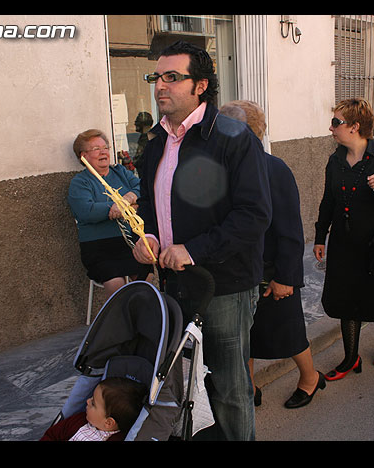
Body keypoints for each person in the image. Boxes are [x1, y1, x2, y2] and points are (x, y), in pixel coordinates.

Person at [132, 41, 271, 441]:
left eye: (172, 77)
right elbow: (150, 202)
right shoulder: (155, 140)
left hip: (224, 286)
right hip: (174, 285)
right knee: (185, 385)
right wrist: (149, 236)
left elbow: (254, 215)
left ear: (201, 85)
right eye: (157, 77)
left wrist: (193, 250)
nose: (161, 85)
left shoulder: (233, 137)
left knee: (228, 388)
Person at [219, 100, 324, 409]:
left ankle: (310, 377)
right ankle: (248, 384)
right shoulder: (223, 168)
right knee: (244, 335)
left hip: (272, 271)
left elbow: (291, 229)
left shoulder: (273, 168)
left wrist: (285, 277)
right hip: (238, 273)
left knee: (289, 332)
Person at [314, 98, 374, 380]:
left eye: (336, 122)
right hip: (344, 244)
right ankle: (351, 358)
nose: (331, 128)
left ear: (355, 127)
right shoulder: (335, 160)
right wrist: (321, 236)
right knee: (347, 300)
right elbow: (327, 201)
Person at [67, 129, 152, 298]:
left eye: (105, 147)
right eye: (96, 149)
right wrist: (116, 208)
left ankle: (143, 319)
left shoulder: (119, 172)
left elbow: (143, 188)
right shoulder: (80, 182)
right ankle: (121, 321)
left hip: (128, 244)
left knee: (146, 278)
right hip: (99, 248)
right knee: (116, 283)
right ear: (83, 156)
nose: (103, 152)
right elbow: (87, 211)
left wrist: (129, 198)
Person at [40, 377, 146, 441]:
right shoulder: (78, 420)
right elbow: (52, 435)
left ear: (108, 422)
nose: (87, 401)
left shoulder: (119, 438)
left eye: (93, 403)